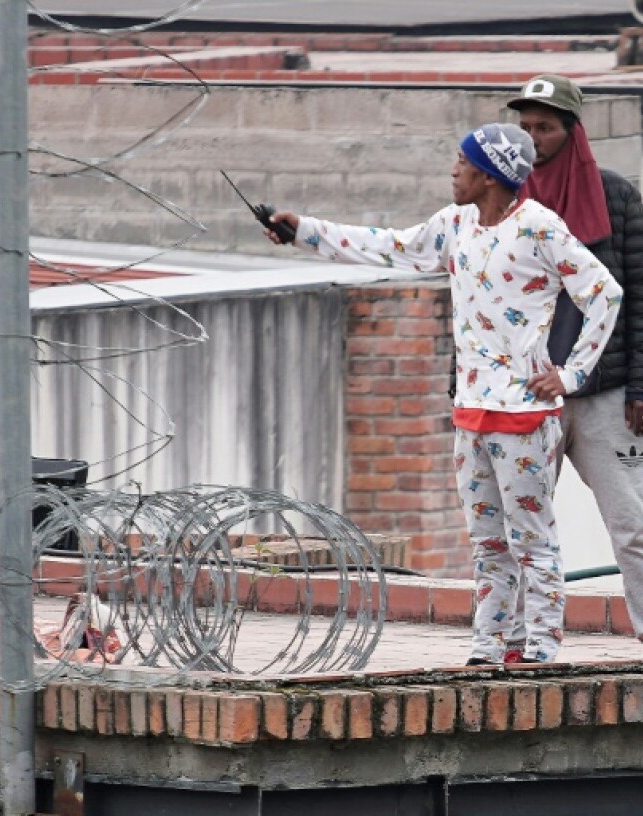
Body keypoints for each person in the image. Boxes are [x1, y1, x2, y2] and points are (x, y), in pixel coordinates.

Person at [266, 123, 622, 665]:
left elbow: (604, 292)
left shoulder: (538, 227)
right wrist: (304, 232)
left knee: (532, 541)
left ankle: (541, 648)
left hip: (523, 417)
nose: (453, 170)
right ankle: (489, 646)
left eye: (462, 161)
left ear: (490, 174)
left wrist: (571, 375)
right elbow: (389, 246)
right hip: (471, 415)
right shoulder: (454, 225)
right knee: (487, 542)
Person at [503, 74, 643, 661]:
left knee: (634, 522)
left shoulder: (615, 196)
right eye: (525, 128)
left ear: (571, 130)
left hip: (608, 390)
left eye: (545, 127)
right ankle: (513, 641)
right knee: (518, 525)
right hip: (527, 393)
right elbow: (479, 302)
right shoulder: (502, 200)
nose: (533, 138)